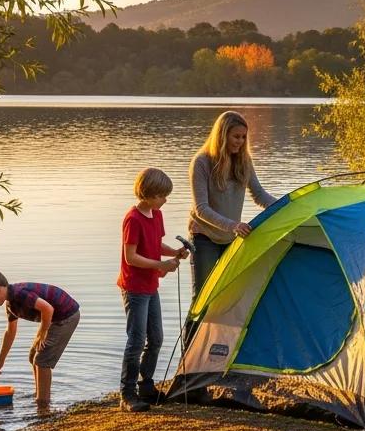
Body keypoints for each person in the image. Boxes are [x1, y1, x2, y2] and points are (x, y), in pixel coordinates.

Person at [117, 167, 189, 412]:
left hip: (150, 285)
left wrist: (175, 253)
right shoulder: (133, 219)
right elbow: (131, 257)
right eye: (161, 196)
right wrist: (161, 265)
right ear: (148, 194)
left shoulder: (156, 215)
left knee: (156, 338)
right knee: (136, 340)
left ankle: (146, 385)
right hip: (134, 287)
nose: (165, 200)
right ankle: (127, 394)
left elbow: (155, 244)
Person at [188, 110, 276, 296]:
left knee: (228, 296)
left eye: (244, 137)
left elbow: (259, 195)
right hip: (204, 238)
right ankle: (193, 327)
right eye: (236, 136)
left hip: (230, 239)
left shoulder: (244, 161)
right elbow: (201, 208)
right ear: (222, 135)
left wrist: (285, 206)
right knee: (203, 296)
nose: (241, 141)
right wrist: (234, 225)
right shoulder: (202, 162)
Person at [0, 270, 80, 408]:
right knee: (33, 356)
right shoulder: (10, 304)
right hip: (53, 318)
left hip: (67, 316)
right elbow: (10, 332)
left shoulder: (19, 294)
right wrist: (0, 361)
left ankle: (43, 405)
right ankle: (40, 396)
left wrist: (42, 333)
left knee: (42, 360)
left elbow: (47, 309)